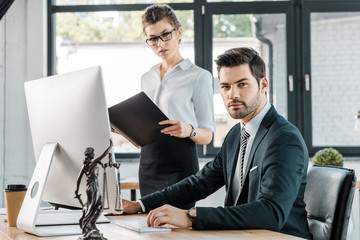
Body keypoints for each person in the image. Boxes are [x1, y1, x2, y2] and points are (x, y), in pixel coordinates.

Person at [123, 47, 312, 239]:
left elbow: (271, 213)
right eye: (225, 86)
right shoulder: (236, 135)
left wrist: (192, 217)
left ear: (263, 84)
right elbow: (198, 184)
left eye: (242, 84)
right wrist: (140, 205)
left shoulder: (283, 139)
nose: (232, 94)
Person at [138, 4, 215, 205]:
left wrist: (189, 129)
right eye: (153, 39)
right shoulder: (147, 77)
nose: (160, 44)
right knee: (148, 226)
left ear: (179, 32)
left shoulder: (199, 76)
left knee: (179, 230)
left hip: (180, 163)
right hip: (148, 162)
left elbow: (208, 135)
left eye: (166, 35)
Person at [75, 140, 113, 238]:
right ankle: (89, 223)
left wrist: (76, 190)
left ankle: (90, 224)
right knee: (98, 205)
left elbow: (78, 179)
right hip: (93, 187)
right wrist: (110, 146)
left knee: (91, 206)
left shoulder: (85, 166)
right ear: (92, 155)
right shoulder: (94, 162)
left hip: (88, 188)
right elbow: (103, 154)